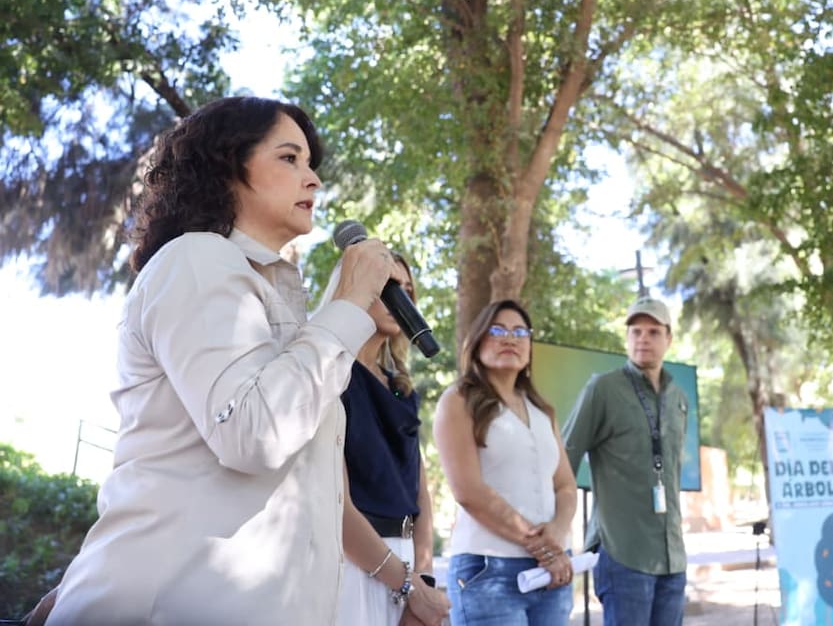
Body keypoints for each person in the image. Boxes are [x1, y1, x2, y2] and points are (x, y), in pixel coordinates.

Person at [45, 96, 413, 624]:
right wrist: (351, 300)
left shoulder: (271, 293)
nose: (312, 180)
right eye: (290, 159)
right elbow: (255, 432)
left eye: (311, 164)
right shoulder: (197, 258)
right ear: (226, 166)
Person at [319, 250, 450, 625]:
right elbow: (336, 504)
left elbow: (419, 495)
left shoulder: (401, 388)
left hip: (405, 569)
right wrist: (409, 586)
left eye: (408, 290)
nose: (401, 299)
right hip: (354, 568)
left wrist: (421, 583)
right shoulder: (330, 375)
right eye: (389, 286)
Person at [432, 299, 578, 626]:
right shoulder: (458, 400)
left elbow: (566, 486)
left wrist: (557, 533)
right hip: (489, 571)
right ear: (478, 340)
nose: (509, 338)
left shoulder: (543, 411)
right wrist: (545, 548)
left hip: (552, 573)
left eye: (519, 331)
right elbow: (468, 491)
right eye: (497, 330)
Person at [561, 297, 689, 626]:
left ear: (669, 338)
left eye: (653, 331)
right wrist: (557, 534)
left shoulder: (678, 398)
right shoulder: (602, 389)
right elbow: (564, 459)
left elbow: (671, 474)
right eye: (635, 331)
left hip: (673, 557)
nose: (643, 338)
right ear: (627, 338)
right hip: (623, 553)